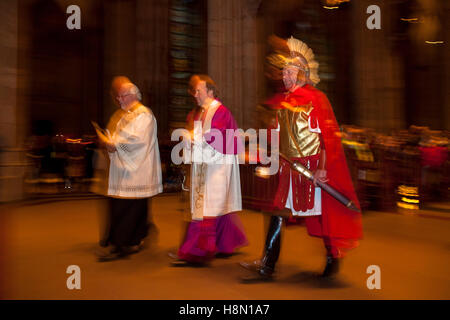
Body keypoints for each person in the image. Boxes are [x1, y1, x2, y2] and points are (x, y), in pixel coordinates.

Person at [240, 36, 363, 280]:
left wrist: (322, 169)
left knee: (322, 213)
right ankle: (267, 266)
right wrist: (258, 151)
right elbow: (276, 136)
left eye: (289, 71)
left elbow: (326, 136)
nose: (284, 76)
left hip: (313, 167)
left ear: (302, 74)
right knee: (278, 212)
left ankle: (333, 256)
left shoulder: (316, 99)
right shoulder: (284, 102)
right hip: (290, 168)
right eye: (283, 72)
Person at [170, 74, 248, 265]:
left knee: (205, 207)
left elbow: (217, 138)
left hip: (217, 167)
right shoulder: (199, 112)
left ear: (210, 91)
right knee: (215, 206)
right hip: (204, 166)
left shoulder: (219, 111)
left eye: (199, 90)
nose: (195, 94)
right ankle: (226, 244)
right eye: (194, 90)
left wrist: (191, 138)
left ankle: (197, 253)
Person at [95, 79, 163, 261]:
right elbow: (117, 135)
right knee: (125, 208)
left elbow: (138, 141)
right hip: (123, 170)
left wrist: (113, 145)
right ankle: (127, 240)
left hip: (135, 172)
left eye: (122, 96)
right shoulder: (124, 114)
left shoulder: (143, 115)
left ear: (133, 94)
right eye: (118, 96)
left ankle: (123, 244)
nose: (119, 99)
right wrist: (108, 141)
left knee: (127, 209)